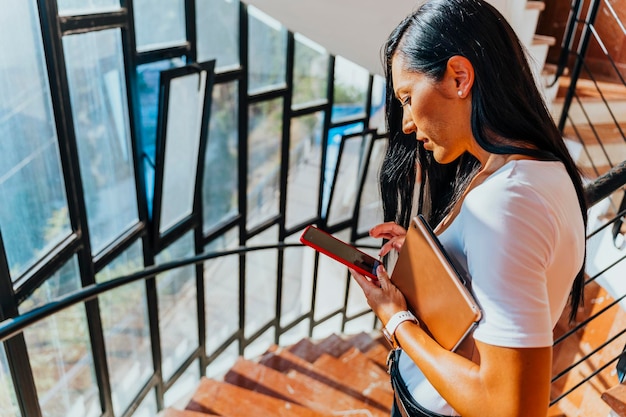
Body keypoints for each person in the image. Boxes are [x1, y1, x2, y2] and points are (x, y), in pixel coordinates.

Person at [349, 1, 588, 416]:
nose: (406, 123)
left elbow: (509, 407)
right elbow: (504, 275)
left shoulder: (506, 207)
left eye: (407, 97)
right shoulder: (534, 169)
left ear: (459, 77)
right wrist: (436, 256)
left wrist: (395, 320)